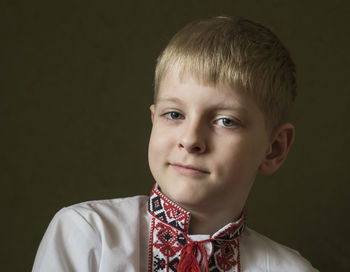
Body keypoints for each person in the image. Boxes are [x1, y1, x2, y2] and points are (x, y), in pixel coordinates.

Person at [32, 16, 319, 271]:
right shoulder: (88, 234)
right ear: (154, 119)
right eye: (174, 114)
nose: (191, 139)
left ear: (275, 148)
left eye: (226, 121)